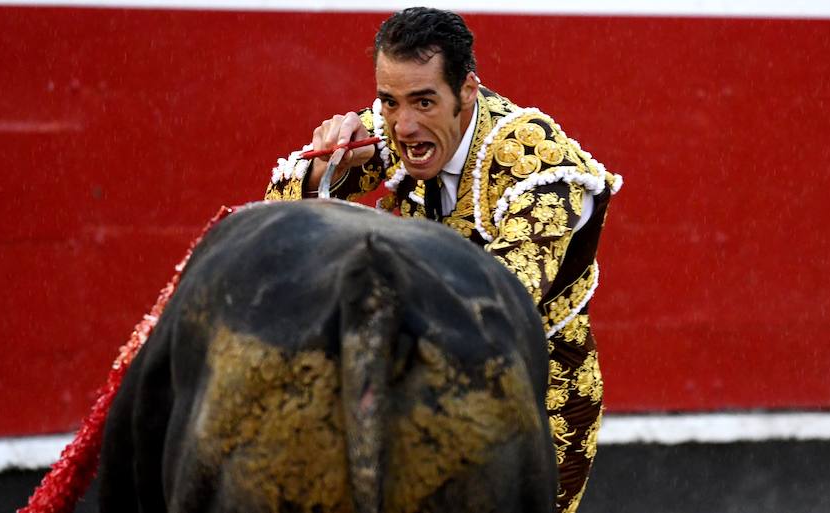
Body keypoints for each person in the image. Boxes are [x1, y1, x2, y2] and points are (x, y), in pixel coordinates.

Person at [265, 7, 622, 512]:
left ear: (468, 92)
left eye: (424, 102)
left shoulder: (543, 170)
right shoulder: (395, 130)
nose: (404, 125)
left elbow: (494, 303)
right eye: (389, 101)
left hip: (536, 390)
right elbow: (276, 219)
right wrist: (325, 170)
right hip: (420, 381)